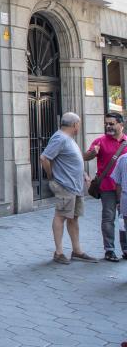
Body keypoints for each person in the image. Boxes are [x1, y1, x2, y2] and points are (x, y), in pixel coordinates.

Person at [40, 112, 97, 264]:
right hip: (65, 185)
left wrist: (84, 174)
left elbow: (72, 161)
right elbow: (44, 158)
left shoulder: (69, 139)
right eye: (79, 124)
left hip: (75, 186)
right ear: (75, 125)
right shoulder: (59, 138)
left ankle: (77, 251)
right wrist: (51, 176)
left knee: (74, 217)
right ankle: (58, 253)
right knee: (61, 216)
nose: (79, 127)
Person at [84, 112, 127, 261]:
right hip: (107, 187)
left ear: (121, 125)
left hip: (125, 189)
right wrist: (92, 153)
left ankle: (126, 249)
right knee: (108, 219)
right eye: (106, 124)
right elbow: (85, 157)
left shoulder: (126, 142)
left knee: (124, 219)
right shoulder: (100, 141)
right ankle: (109, 250)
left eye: (111, 124)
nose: (108, 126)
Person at [111, 145, 127, 260]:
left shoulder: (122, 159)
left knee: (124, 226)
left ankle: (125, 249)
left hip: (125, 199)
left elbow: (118, 183)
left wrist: (118, 200)